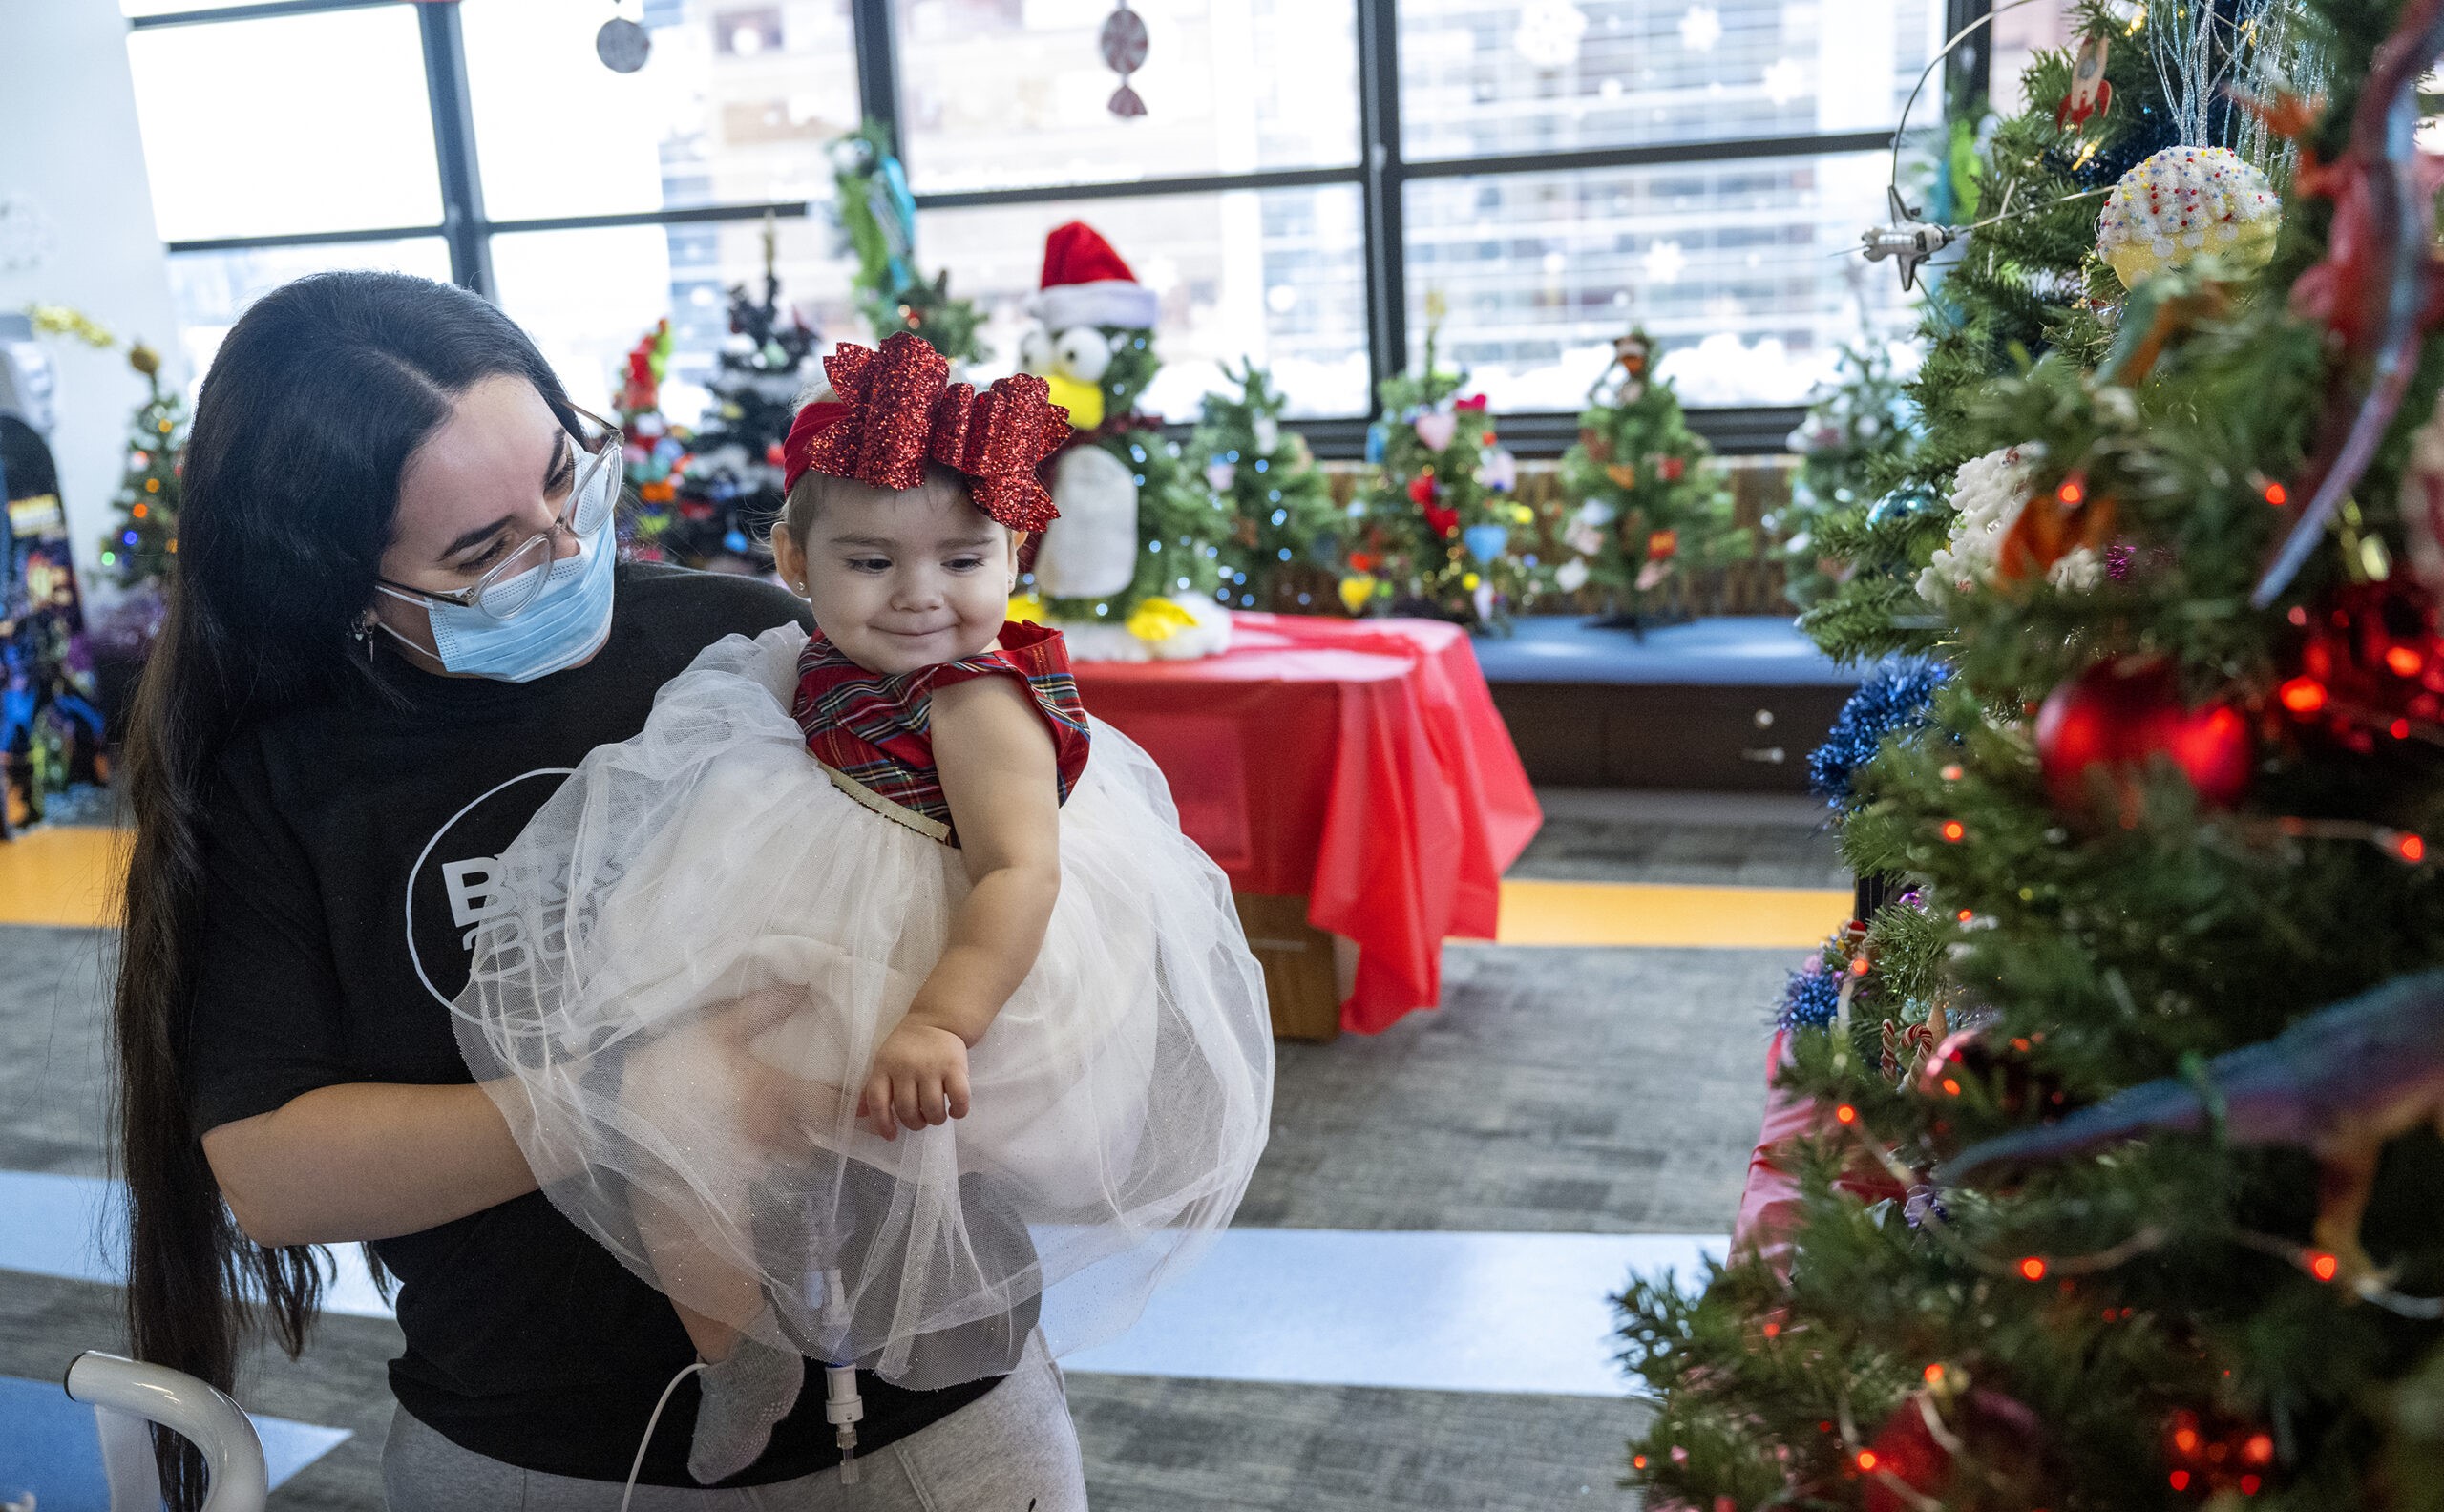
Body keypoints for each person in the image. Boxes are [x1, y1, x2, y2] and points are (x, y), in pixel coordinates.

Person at [112, 272, 1088, 1511]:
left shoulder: (759, 647)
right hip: (552, 1457)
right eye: (487, 549)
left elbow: (1005, 915)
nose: (569, 550)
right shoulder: (280, 782)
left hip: (944, 1423)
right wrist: (623, 1101)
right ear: (339, 582)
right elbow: (273, 1172)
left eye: (567, 478)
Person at [453, 332, 1275, 1484]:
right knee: (665, 1113)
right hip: (827, 928)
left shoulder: (982, 702)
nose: (922, 597)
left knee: (724, 1120)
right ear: (794, 558)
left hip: (950, 974)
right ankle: (737, 1344)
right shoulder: (791, 668)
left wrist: (939, 1022)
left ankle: (835, 1356)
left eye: (962, 557)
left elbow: (1016, 874)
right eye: (872, 562)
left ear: (1015, 551)